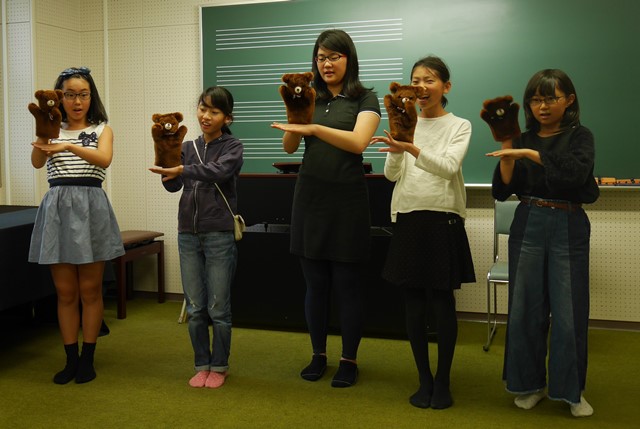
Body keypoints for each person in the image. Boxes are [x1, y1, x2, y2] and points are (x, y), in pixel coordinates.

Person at [270, 29, 381, 387]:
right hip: (311, 198)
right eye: (320, 57)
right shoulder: (308, 96)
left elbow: (358, 142)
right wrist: (296, 117)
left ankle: (349, 360)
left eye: (334, 56)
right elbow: (289, 147)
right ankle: (318, 355)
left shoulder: (365, 98)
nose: (326, 63)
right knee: (315, 285)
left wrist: (315, 128)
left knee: (347, 285)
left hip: (348, 200)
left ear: (349, 58)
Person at [485, 69, 598, 417]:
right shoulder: (521, 138)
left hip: (568, 222)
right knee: (525, 309)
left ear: (569, 100)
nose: (542, 106)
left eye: (550, 98)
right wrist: (508, 146)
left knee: (569, 311)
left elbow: (575, 173)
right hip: (529, 221)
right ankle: (529, 384)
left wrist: (531, 154)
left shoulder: (580, 136)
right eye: (535, 100)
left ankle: (571, 391)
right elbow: (504, 189)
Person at [371, 56, 475, 409]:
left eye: (429, 80)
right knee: (413, 304)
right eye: (416, 80)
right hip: (408, 216)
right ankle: (424, 379)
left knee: (443, 302)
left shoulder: (459, 125)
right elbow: (391, 175)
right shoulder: (406, 120)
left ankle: (443, 381)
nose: (421, 87)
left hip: (443, 217)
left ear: (446, 86)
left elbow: (448, 168)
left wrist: (411, 146)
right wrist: (397, 145)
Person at [29, 66, 124, 384]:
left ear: (91, 97)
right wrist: (44, 133)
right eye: (69, 94)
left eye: (83, 94)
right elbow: (37, 162)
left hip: (91, 206)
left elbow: (104, 159)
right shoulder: (51, 129)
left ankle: (88, 358)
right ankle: (70, 358)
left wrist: (68, 146)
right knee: (65, 292)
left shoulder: (102, 129)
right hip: (57, 207)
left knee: (90, 291)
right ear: (60, 98)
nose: (77, 101)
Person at [149, 86, 243, 389]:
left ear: (227, 117)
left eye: (214, 111)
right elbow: (174, 186)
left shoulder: (233, 146)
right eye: (203, 108)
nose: (206, 116)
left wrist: (183, 169)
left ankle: (220, 366)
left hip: (219, 234)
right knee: (195, 307)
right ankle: (202, 364)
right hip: (188, 234)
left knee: (219, 308)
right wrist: (166, 160)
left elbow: (217, 172)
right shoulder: (187, 146)